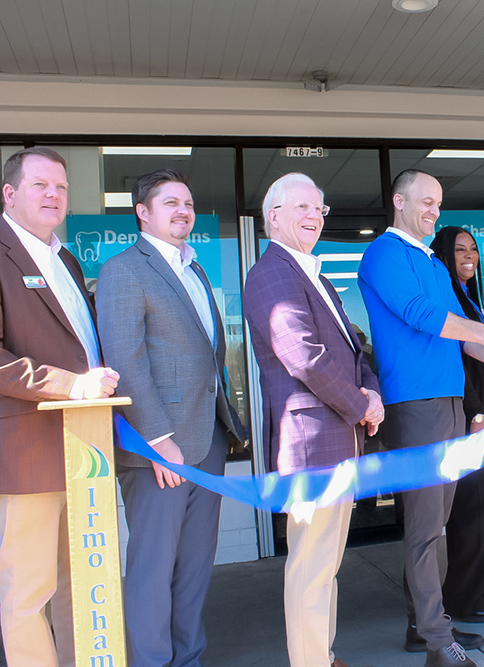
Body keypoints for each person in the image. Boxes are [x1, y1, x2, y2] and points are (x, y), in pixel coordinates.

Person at [358, 169, 484, 667]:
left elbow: (461, 332)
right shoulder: (384, 253)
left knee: (438, 522)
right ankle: (435, 639)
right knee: (426, 527)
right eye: (425, 201)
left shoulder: (429, 258)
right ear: (398, 201)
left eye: (439, 204)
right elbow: (418, 314)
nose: (433, 211)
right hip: (416, 404)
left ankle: (425, 626)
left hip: (448, 398)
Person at [96, 168, 245, 667]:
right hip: (158, 450)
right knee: (153, 571)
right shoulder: (125, 270)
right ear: (142, 212)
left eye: (188, 202)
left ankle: (188, 660)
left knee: (195, 569)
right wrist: (158, 437)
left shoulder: (196, 270)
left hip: (208, 441)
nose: (184, 210)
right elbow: (125, 359)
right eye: (170, 203)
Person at [244, 173, 383, 667]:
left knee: (326, 564)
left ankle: (321, 652)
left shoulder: (317, 276)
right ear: (273, 215)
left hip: (338, 439)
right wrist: (361, 403)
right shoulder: (270, 273)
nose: (314, 216)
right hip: (309, 443)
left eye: (320, 209)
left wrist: (370, 389)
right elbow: (303, 356)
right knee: (309, 565)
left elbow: (353, 345)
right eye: (302, 207)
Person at [0, 147, 119, 667]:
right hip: (28, 452)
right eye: (40, 185)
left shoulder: (65, 258)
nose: (54, 195)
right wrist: (72, 385)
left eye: (61, 188)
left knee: (82, 583)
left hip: (84, 448)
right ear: (9, 193)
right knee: (28, 593)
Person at [429, 226, 484, 623]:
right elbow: (458, 365)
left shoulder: (469, 298)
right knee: (480, 504)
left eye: (474, 249)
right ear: (443, 254)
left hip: (483, 412)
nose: (469, 256)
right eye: (460, 249)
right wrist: (477, 414)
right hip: (469, 418)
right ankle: (463, 599)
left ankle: (477, 592)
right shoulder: (450, 300)